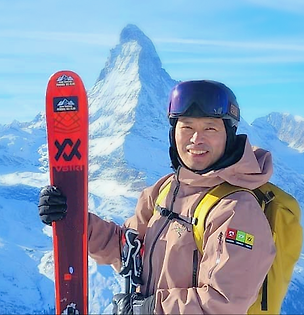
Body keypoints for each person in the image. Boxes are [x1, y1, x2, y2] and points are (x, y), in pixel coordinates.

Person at [39, 80, 276, 314]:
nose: (196, 139)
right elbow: (126, 248)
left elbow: (224, 302)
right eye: (187, 127)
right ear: (175, 133)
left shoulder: (237, 210)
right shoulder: (166, 189)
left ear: (229, 135)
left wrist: (150, 308)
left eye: (210, 128)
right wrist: (73, 219)